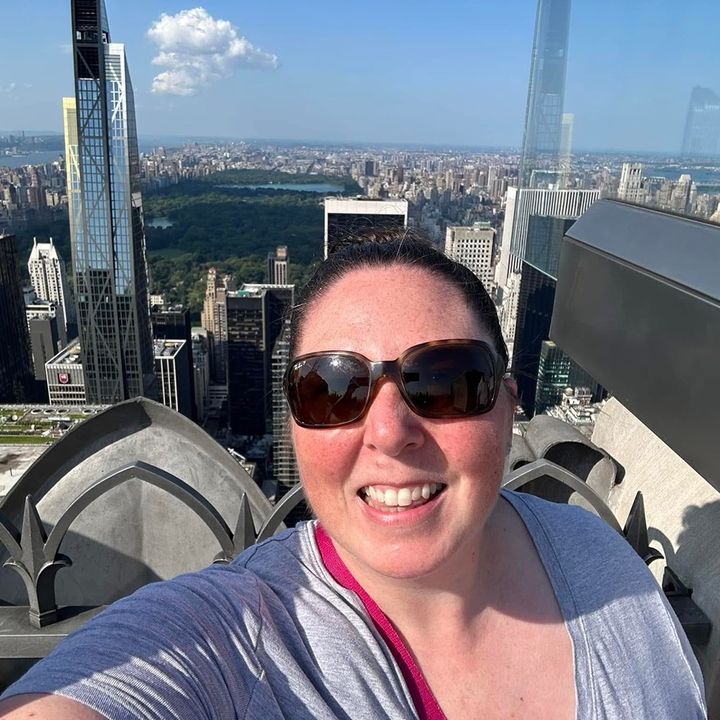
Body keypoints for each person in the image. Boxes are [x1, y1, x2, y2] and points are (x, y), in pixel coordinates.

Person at [0, 232, 707, 719]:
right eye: (332, 390)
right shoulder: (232, 636)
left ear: (508, 406)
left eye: (446, 380)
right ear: (295, 425)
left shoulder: (599, 558)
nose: (390, 432)